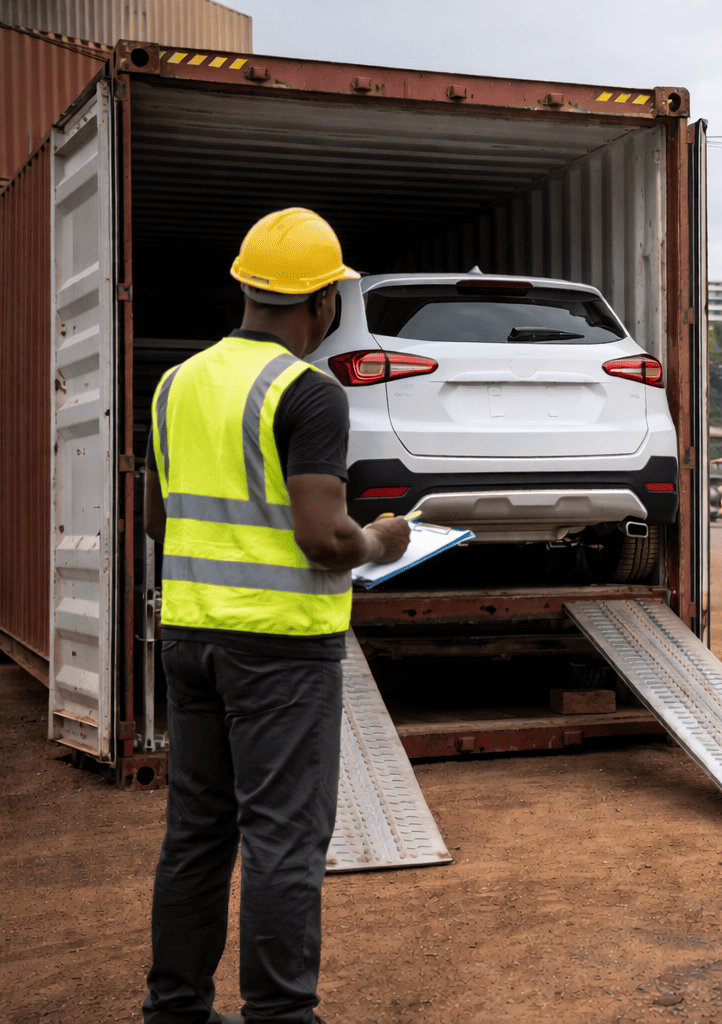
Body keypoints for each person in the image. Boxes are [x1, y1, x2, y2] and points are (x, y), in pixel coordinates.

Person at [142, 208, 411, 1024]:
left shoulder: (176, 384)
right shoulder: (309, 393)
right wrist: (383, 539)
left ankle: (175, 1011)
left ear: (247, 288)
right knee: (283, 840)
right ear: (323, 301)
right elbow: (325, 539)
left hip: (189, 637)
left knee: (197, 835)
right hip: (281, 651)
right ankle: (281, 1017)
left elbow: (158, 520)